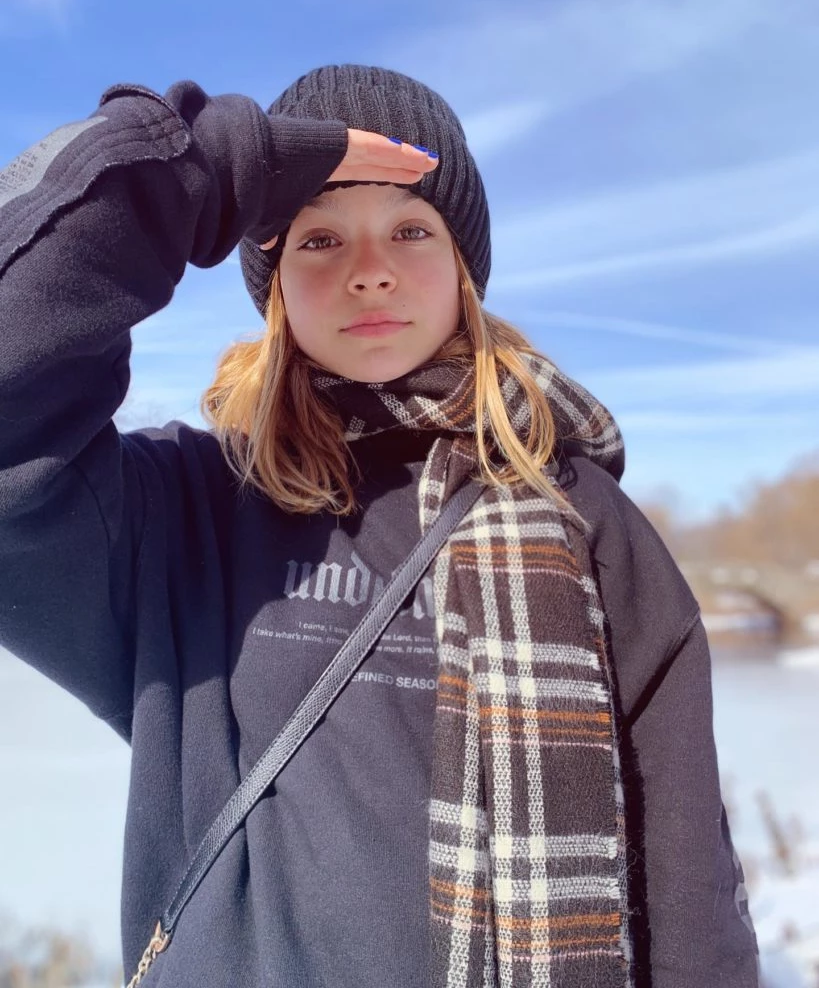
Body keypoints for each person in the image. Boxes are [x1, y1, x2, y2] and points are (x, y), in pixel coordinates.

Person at [0, 64, 760, 988]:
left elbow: (688, 899)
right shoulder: (182, 512)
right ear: (276, 288)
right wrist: (189, 174)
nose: (369, 270)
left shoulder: (585, 519)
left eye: (410, 228)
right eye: (319, 237)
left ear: (463, 271)